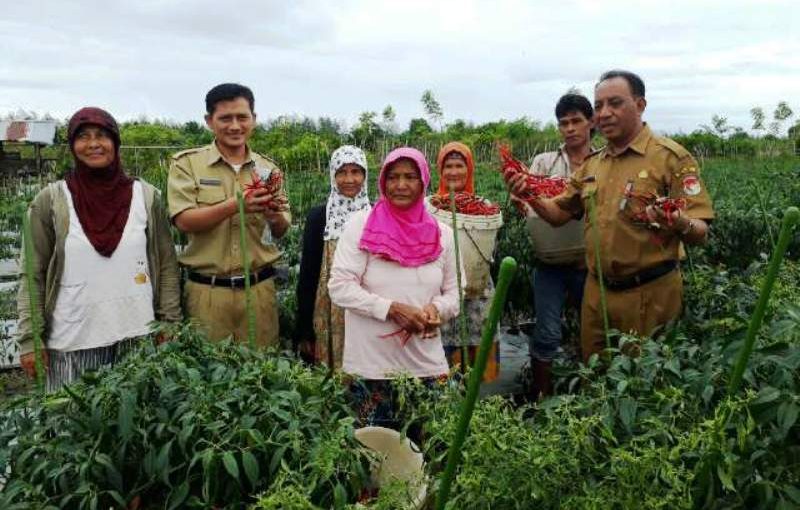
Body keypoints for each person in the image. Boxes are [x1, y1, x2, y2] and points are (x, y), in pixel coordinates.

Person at [511, 70, 714, 363]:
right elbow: (558, 214)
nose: (604, 113)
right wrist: (529, 193)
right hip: (597, 293)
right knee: (594, 374)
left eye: (615, 103)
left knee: (644, 381)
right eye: (599, 106)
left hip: (649, 293)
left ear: (640, 105)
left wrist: (678, 221)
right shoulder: (593, 165)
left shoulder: (671, 158)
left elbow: (700, 230)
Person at [17, 107, 181, 391]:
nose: (93, 144)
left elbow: (166, 264)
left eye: (102, 135)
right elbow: (32, 273)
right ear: (72, 145)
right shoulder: (51, 201)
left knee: (137, 425)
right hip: (72, 341)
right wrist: (30, 338)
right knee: (73, 425)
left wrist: (169, 321)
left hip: (139, 337)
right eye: (83, 136)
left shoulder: (145, 196)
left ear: (115, 143)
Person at [328, 147, 461, 430]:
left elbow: (455, 293)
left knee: (430, 450)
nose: (401, 185)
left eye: (410, 177)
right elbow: (339, 287)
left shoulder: (444, 234)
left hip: (426, 364)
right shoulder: (360, 226)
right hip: (371, 367)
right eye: (393, 177)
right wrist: (392, 309)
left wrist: (436, 309)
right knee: (373, 455)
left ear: (423, 181)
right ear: (383, 181)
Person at [168, 83, 290, 348]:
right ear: (209, 121)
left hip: (258, 292)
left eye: (242, 117)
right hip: (207, 294)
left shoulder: (268, 169)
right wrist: (237, 205)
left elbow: (281, 229)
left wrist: (273, 215)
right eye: (225, 118)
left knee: (262, 372)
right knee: (208, 375)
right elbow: (184, 219)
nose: (235, 126)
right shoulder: (187, 164)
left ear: (254, 120)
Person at [511, 94, 594, 399]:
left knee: (593, 333)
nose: (570, 128)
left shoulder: (605, 161)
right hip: (550, 262)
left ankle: (589, 395)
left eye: (576, 121)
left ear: (591, 122)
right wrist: (522, 197)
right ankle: (540, 398)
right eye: (563, 123)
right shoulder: (545, 162)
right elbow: (529, 203)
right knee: (546, 333)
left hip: (591, 264)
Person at [426, 142, 503, 381]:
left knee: (473, 365)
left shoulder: (485, 206)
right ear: (440, 170)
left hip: (476, 291)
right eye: (448, 166)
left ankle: (469, 405)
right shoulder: (429, 207)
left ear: (469, 169)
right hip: (438, 292)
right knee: (438, 361)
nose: (454, 171)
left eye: (460, 165)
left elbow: (491, 248)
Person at [295, 145, 371, 368]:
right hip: (328, 307)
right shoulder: (320, 217)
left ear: (365, 176)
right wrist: (304, 328)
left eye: (356, 172)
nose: (349, 179)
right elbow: (308, 273)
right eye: (342, 172)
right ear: (332, 175)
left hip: (366, 307)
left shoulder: (375, 214)